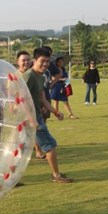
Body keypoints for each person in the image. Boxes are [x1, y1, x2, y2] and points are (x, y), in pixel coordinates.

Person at [23, 47, 73, 183]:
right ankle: (56, 175)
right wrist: (31, 119)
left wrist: (55, 111)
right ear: (35, 60)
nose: (45, 64)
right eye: (42, 61)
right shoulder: (29, 76)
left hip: (34, 116)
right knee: (49, 145)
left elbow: (43, 98)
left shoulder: (40, 76)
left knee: (19, 148)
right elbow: (20, 98)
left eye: (47, 62)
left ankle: (9, 179)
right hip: (29, 118)